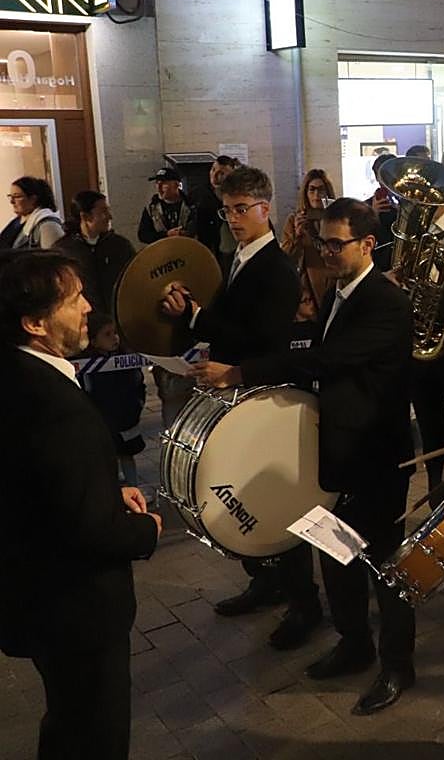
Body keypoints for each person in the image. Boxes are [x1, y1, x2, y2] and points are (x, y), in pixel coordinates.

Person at [192, 198, 417, 716]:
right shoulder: (337, 291)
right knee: (335, 554)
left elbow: (331, 359)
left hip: (375, 455)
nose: (328, 252)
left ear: (367, 244)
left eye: (338, 244)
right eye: (324, 242)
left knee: (385, 566)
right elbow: (310, 352)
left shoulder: (385, 301)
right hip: (333, 450)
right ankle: (354, 643)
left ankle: (397, 664)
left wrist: (242, 372)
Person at [0, 250, 161, 760]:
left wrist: (101, 488)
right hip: (76, 608)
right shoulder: (57, 407)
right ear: (34, 323)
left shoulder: (15, 373)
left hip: (36, 597)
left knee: (67, 721)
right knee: (95, 735)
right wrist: (149, 529)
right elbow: (94, 533)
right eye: (73, 301)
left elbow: (34, 479)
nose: (89, 307)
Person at [159, 167, 315, 646]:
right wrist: (193, 319)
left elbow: (269, 339)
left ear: (267, 209)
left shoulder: (276, 268)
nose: (232, 218)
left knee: (279, 503)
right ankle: (264, 582)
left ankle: (304, 606)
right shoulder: (240, 256)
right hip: (237, 389)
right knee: (248, 492)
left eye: (242, 209)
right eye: (228, 210)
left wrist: (200, 319)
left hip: (263, 395)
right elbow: (231, 321)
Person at [77, 311, 148, 496]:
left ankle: (135, 489)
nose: (114, 338)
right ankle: (115, 495)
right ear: (93, 341)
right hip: (103, 419)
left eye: (115, 333)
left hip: (126, 416)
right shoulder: (87, 365)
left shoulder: (125, 358)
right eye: (107, 335)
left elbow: (137, 382)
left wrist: (138, 403)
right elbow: (88, 391)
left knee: (128, 455)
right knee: (109, 459)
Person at [55, 191, 136, 314]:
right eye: (103, 211)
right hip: (83, 320)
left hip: (120, 318)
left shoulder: (120, 246)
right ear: (85, 217)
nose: (110, 216)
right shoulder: (64, 251)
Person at [282, 168, 338, 307]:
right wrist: (298, 236)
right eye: (311, 190)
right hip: (309, 292)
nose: (316, 195)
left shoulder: (336, 219)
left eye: (321, 190)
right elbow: (286, 260)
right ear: (305, 193)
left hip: (335, 283)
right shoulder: (294, 220)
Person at [193, 156, 240, 263]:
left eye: (222, 173)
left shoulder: (239, 195)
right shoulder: (200, 194)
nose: (214, 176)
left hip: (233, 249)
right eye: (213, 169)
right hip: (210, 250)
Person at [2, 177, 64, 250]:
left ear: (33, 199)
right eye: (10, 196)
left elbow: (54, 257)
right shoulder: (16, 222)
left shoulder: (48, 225)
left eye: (17, 196)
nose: (12, 201)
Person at [138, 167, 195, 244]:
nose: (159, 188)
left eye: (163, 184)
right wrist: (166, 234)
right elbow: (143, 235)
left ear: (176, 184)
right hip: (162, 253)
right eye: (157, 183)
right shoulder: (151, 208)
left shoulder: (191, 206)